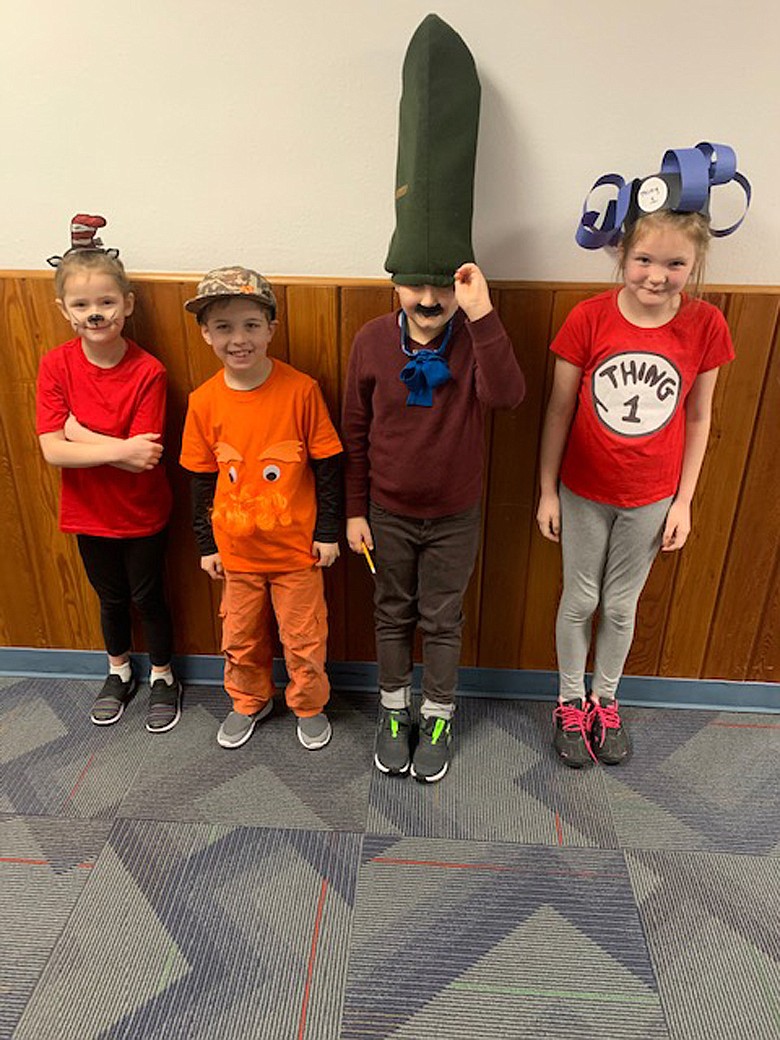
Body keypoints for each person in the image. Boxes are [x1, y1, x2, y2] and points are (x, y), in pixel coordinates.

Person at [342, 14, 525, 784]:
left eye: (440, 282)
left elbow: (508, 396)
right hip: (385, 510)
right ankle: (394, 708)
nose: (425, 297)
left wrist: (481, 316)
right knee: (392, 616)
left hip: (456, 513)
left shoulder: (470, 335)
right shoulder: (371, 343)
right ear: (393, 282)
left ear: (462, 280)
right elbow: (353, 432)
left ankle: (439, 717)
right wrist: (352, 510)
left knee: (441, 618)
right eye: (413, 283)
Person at [537, 143, 751, 768]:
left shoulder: (707, 326)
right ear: (622, 257)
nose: (658, 275)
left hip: (652, 496)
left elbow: (700, 414)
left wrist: (683, 501)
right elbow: (557, 409)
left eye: (675, 263)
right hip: (582, 488)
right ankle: (569, 700)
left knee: (622, 606)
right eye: (644, 260)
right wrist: (547, 489)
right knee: (579, 600)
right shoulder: (588, 318)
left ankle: (606, 699)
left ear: (696, 263)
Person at [180, 267, 343, 751]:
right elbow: (200, 478)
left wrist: (329, 531)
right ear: (206, 334)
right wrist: (207, 543)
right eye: (224, 327)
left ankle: (309, 704)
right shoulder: (203, 401)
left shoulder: (301, 390)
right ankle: (249, 700)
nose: (239, 339)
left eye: (252, 324)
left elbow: (329, 465)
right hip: (236, 556)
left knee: (304, 640)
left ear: (271, 328)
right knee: (241, 637)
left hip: (297, 554)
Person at [36, 214, 180, 732]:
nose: (95, 314)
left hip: (142, 511)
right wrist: (90, 444)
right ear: (64, 310)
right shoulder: (56, 366)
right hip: (88, 511)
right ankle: (118, 669)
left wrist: (79, 434)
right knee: (110, 598)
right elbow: (52, 451)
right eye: (81, 305)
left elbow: (145, 456)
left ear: (127, 304)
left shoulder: (149, 371)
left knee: (148, 597)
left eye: (105, 303)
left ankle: (164, 675)